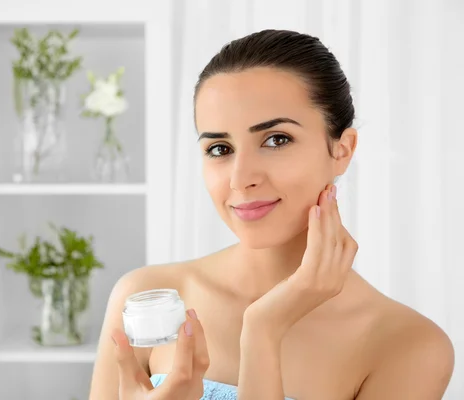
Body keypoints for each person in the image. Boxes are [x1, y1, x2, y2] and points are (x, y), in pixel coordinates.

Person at [88, 29, 455, 400]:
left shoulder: (407, 346)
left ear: (342, 150)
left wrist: (263, 330)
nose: (241, 178)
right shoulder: (147, 300)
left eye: (276, 140)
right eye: (219, 148)